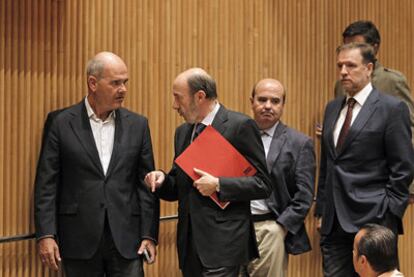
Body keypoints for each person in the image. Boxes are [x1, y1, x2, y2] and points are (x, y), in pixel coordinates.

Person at [34, 51, 159, 277]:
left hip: (127, 240)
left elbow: (145, 184)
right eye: (115, 83)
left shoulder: (138, 125)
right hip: (78, 239)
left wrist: (149, 235)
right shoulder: (60, 122)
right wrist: (46, 235)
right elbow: (46, 184)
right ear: (93, 83)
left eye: (125, 82)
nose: (123, 89)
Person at [144, 68, 273, 277]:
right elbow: (179, 185)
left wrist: (219, 184)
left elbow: (263, 184)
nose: (174, 105)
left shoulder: (239, 126)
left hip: (224, 245)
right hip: (190, 246)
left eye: (178, 98)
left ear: (200, 96)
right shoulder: (183, 132)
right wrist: (161, 180)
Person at [314, 43, 414, 277]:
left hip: (374, 219)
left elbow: (403, 167)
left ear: (369, 68)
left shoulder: (392, 108)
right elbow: (328, 163)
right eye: (340, 65)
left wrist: (390, 214)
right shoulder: (332, 108)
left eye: (351, 65)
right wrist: (321, 209)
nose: (343, 72)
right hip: (334, 222)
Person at [333, 20, 414, 200]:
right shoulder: (341, 85)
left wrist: (399, 194)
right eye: (347, 45)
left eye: (357, 44)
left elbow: (409, 131)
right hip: (345, 184)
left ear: (375, 48)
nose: (351, 50)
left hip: (379, 182)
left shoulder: (392, 80)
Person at [245, 78, 315, 277]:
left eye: (275, 101)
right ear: (252, 102)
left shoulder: (299, 143)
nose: (268, 106)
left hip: (271, 227)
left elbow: (304, 195)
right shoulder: (237, 135)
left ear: (283, 105)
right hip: (235, 226)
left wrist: (281, 227)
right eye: (262, 99)